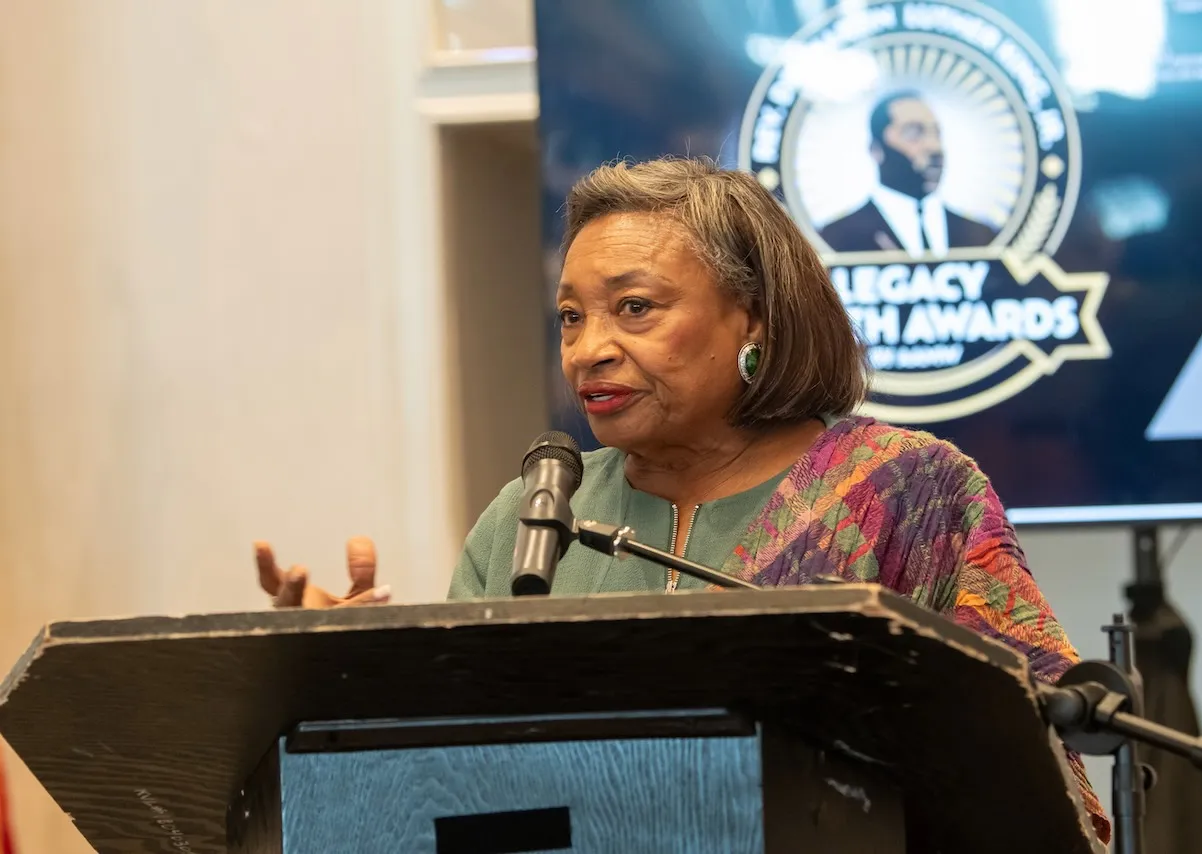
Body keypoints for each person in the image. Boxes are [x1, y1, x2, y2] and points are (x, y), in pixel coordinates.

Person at [254, 156, 1110, 843]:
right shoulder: (530, 514)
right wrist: (336, 681)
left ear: (754, 319)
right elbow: (452, 784)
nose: (588, 349)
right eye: (570, 317)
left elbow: (1024, 753)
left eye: (634, 308)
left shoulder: (907, 492)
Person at [820, 90, 997, 256]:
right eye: (913, 133)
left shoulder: (982, 236)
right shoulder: (835, 237)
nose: (934, 147)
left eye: (936, 133)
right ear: (876, 150)